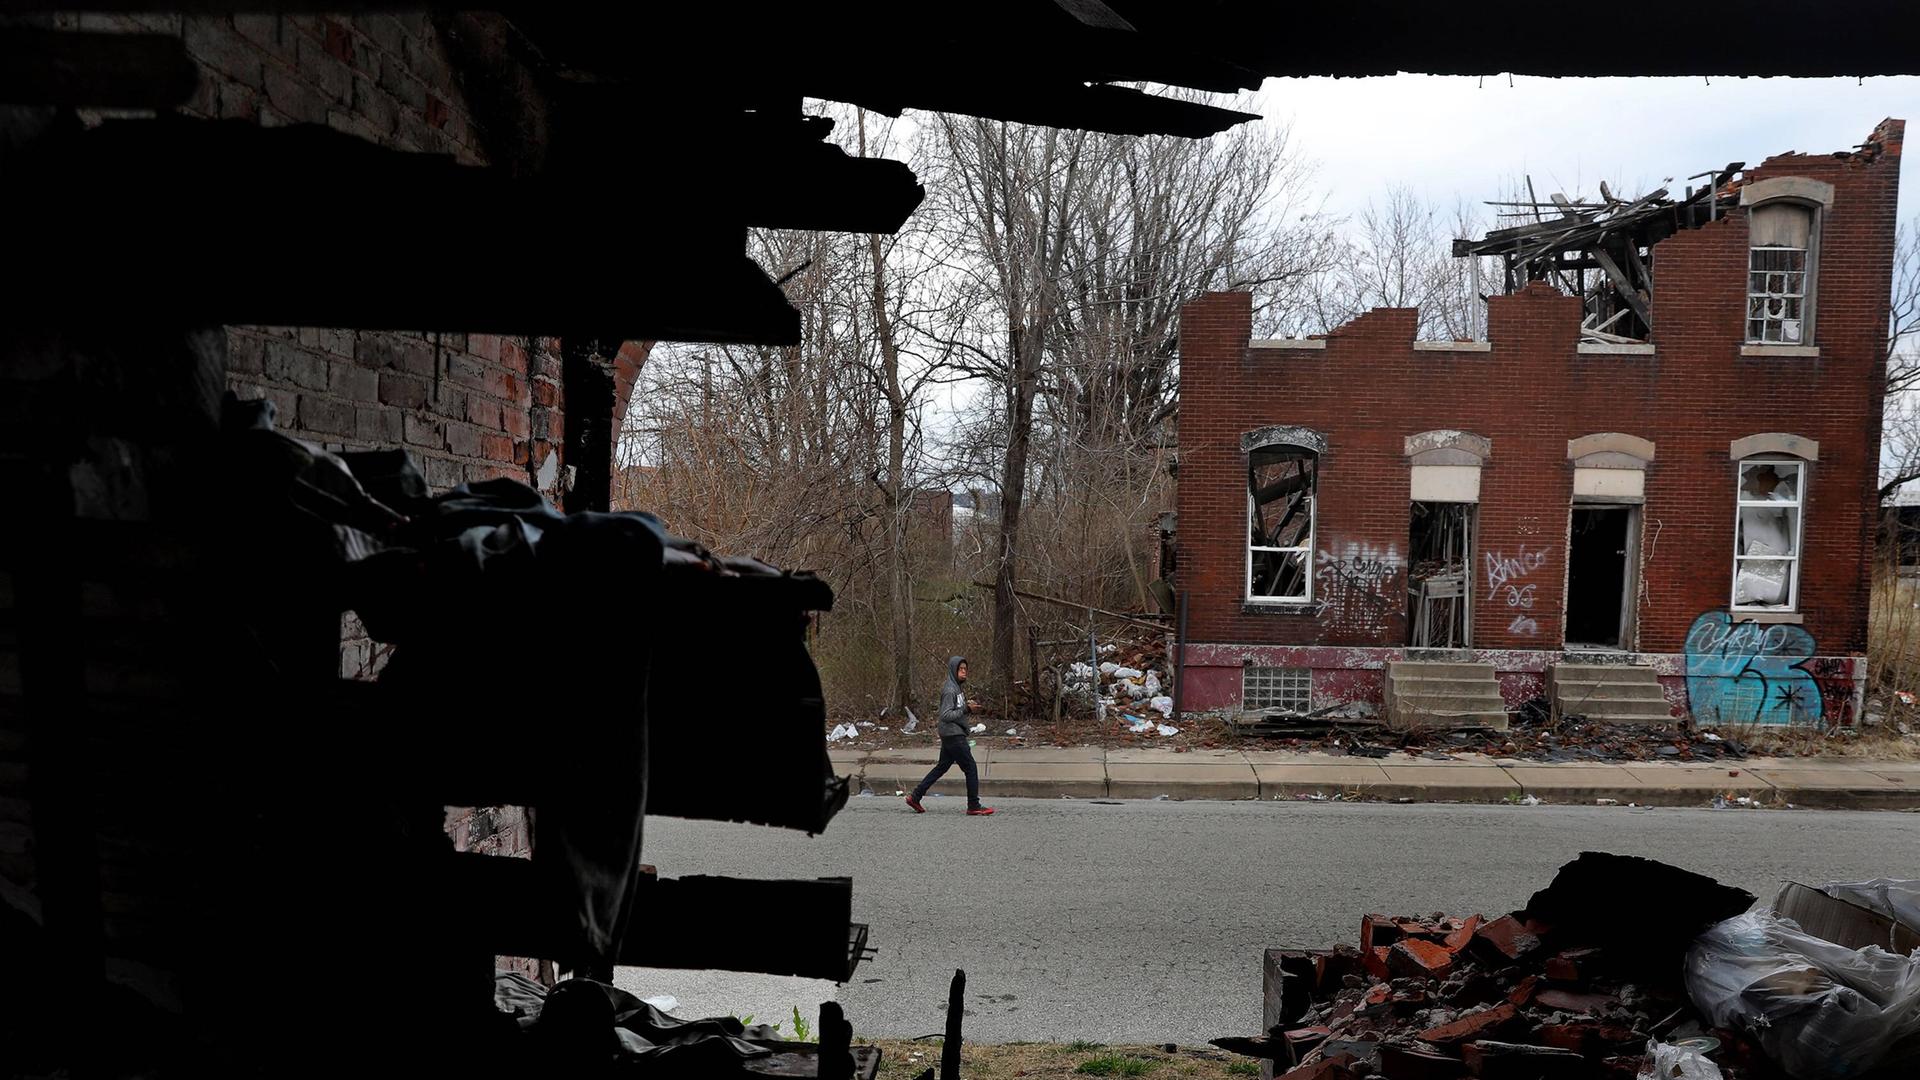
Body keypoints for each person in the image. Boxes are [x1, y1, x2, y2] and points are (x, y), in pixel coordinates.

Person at [905, 657, 995, 816]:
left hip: (951, 733)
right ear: (953, 670)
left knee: (942, 767)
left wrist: (967, 708)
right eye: (960, 669)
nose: (964, 672)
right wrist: (966, 709)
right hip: (953, 734)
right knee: (970, 767)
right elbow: (945, 714)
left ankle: (915, 796)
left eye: (965, 669)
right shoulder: (950, 689)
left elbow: (957, 709)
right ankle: (974, 805)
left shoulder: (957, 688)